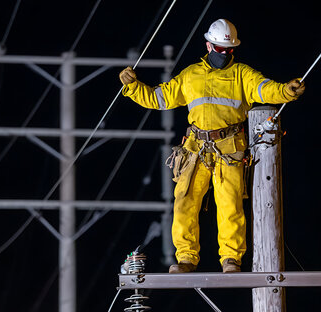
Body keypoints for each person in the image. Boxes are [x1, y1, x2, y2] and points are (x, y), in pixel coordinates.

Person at [119, 19, 304, 273]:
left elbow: (264, 89)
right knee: (184, 201)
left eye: (228, 50)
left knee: (230, 204)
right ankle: (185, 258)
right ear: (208, 45)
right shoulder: (191, 75)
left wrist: (286, 91)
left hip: (229, 148)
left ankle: (231, 259)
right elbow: (158, 98)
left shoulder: (243, 74)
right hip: (196, 149)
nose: (224, 53)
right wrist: (132, 86)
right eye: (219, 48)